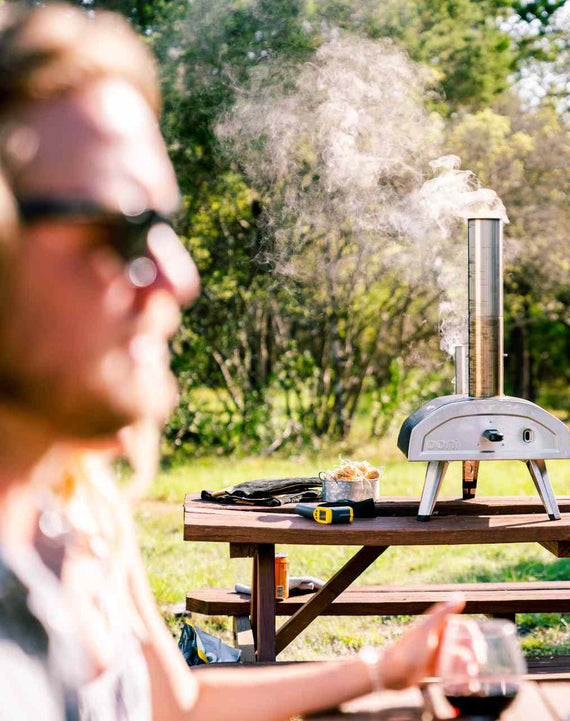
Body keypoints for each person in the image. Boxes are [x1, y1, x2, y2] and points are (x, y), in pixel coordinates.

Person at [0, 4, 464, 721]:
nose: (178, 276)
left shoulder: (80, 504)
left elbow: (177, 703)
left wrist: (381, 666)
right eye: (121, 228)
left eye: (164, 225)